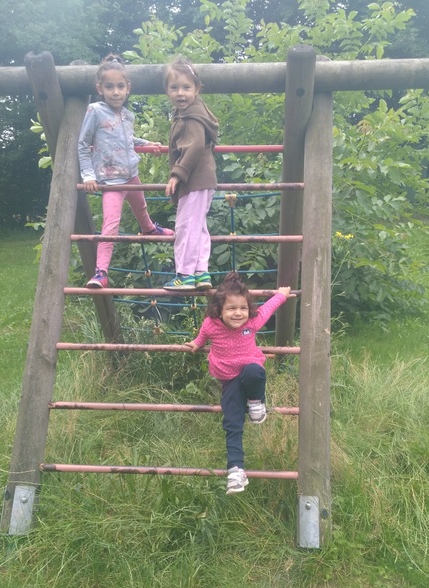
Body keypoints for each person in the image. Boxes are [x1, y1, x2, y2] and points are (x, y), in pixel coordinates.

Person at [185, 272, 291, 494]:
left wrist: (281, 295)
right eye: (231, 308)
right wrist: (196, 343)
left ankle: (256, 402)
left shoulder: (252, 321)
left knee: (255, 371)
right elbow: (202, 336)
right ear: (219, 310)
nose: (238, 313)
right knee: (232, 422)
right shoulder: (211, 324)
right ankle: (235, 471)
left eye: (243, 308)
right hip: (229, 380)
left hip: (249, 371)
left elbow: (267, 309)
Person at [78, 54, 173, 289]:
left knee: (141, 207)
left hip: (131, 175)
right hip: (111, 182)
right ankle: (101, 272)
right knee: (111, 225)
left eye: (120, 86)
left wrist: (147, 144)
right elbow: (83, 144)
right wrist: (88, 176)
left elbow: (128, 140)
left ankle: (149, 229)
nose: (115, 92)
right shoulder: (95, 111)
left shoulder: (127, 115)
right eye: (109, 87)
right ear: (99, 88)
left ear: (128, 88)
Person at [163, 58, 219, 292]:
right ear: (167, 90)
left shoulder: (191, 118)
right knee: (198, 226)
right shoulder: (190, 113)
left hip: (194, 179)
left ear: (196, 89)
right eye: (174, 87)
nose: (180, 93)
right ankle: (200, 271)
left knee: (185, 226)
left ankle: (185, 274)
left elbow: (194, 146)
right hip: (203, 179)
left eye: (186, 87)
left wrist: (177, 174)